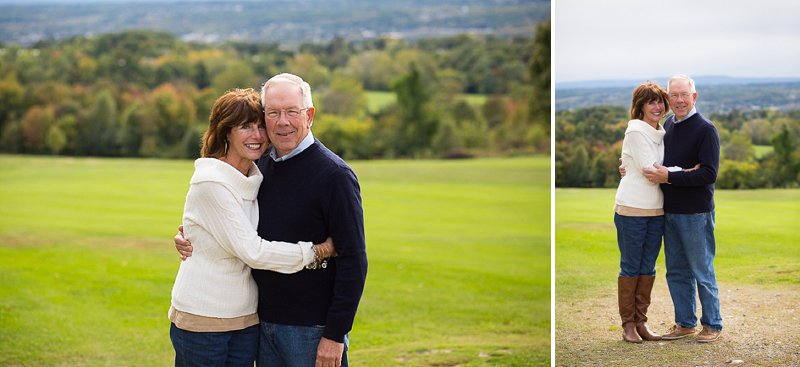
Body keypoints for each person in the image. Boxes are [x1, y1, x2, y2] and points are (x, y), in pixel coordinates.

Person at [177, 73, 368, 367]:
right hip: (260, 323)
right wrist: (193, 236)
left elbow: (354, 259)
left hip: (312, 329)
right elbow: (232, 226)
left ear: (310, 115)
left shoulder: (334, 176)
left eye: (292, 112)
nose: (282, 122)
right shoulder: (259, 167)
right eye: (273, 113)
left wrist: (335, 334)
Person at [642, 74, 722, 343]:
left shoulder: (705, 129)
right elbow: (658, 163)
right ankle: (685, 323)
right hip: (670, 210)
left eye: (683, 95)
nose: (678, 100)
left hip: (696, 213)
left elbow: (708, 174)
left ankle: (713, 324)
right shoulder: (668, 126)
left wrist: (672, 177)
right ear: (668, 98)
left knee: (702, 270)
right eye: (673, 95)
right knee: (676, 270)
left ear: (694, 97)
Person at [613, 81, 670, 343]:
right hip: (632, 209)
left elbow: (658, 169)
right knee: (631, 266)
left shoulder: (661, 131)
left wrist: (666, 172)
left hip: (656, 210)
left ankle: (641, 323)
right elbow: (651, 170)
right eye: (651, 102)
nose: (657, 107)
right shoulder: (636, 131)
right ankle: (628, 326)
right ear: (640, 106)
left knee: (648, 267)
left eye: (660, 101)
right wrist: (685, 172)